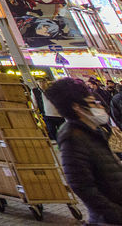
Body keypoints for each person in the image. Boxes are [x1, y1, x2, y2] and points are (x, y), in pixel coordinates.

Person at [45, 77, 122, 225]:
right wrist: (115, 213)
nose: (100, 108)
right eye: (93, 103)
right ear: (77, 107)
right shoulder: (72, 138)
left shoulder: (93, 132)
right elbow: (82, 186)